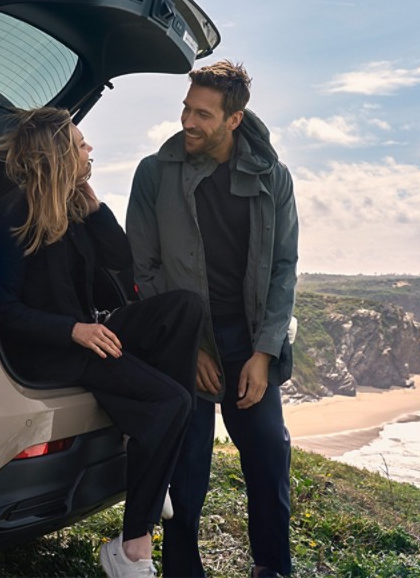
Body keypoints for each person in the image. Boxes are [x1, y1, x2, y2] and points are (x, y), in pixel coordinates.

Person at [0, 107, 203, 578]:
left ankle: (153, 462)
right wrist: (73, 331)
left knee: (184, 308)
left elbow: (121, 259)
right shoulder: (14, 216)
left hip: (86, 334)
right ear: (59, 154)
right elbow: (3, 310)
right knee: (171, 403)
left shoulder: (71, 210)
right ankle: (131, 548)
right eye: (81, 145)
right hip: (54, 351)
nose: (90, 150)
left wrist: (91, 200)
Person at [126, 60, 299, 578]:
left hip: (247, 341)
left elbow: (284, 269)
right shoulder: (154, 174)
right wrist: (189, 347)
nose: (188, 122)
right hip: (184, 343)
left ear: (234, 119)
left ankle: (273, 568)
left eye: (203, 114)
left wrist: (263, 354)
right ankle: (183, 570)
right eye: (186, 108)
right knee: (188, 473)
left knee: (270, 459)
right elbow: (144, 267)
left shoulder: (274, 178)